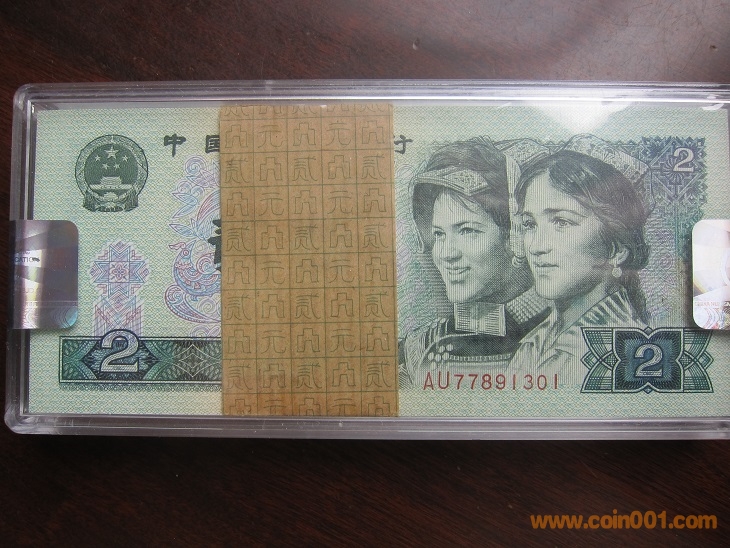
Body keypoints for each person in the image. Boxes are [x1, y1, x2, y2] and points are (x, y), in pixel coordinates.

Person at [399, 137, 550, 388]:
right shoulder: (419, 350)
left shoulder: (566, 336)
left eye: (467, 230)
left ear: (514, 235)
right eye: (439, 234)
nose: (446, 253)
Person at [508, 137, 650, 383]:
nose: (536, 246)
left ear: (616, 248)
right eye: (530, 224)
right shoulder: (534, 343)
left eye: (562, 222)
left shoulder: (626, 353)